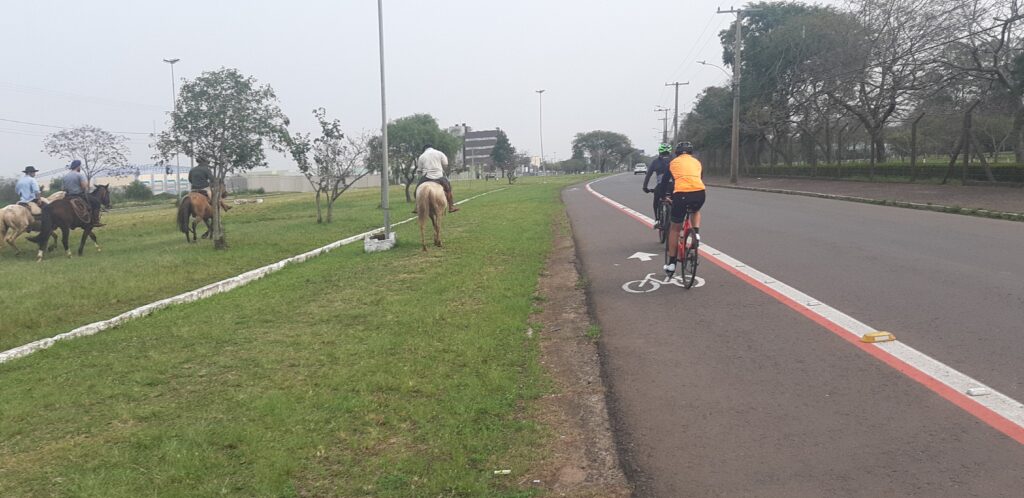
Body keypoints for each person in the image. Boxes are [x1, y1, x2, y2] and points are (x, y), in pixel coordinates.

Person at [658, 142, 705, 276]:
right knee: (695, 210)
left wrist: (664, 196)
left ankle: (672, 263)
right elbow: (700, 178)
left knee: (675, 228)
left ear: (677, 153)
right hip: (700, 193)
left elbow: (665, 182)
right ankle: (696, 233)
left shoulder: (673, 163)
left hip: (681, 194)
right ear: (691, 152)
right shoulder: (697, 162)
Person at [413, 144, 459, 213]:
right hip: (439, 176)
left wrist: (420, 171)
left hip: (427, 176)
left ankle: (417, 207)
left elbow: (419, 169)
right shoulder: (440, 153)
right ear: (432, 147)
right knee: (448, 190)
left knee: (416, 191)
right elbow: (445, 164)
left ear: (424, 149)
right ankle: (451, 207)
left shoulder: (421, 156)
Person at [62, 159, 103, 227]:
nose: (80, 168)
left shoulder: (65, 176)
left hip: (68, 196)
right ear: (78, 166)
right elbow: (84, 187)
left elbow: (63, 188)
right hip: (79, 195)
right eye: (80, 166)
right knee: (96, 203)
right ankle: (96, 221)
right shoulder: (79, 175)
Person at [642, 143, 674, 228]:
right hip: (673, 186)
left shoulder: (655, 162)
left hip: (660, 186)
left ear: (660, 151)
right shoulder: (674, 160)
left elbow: (648, 175)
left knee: (656, 201)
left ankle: (657, 220)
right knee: (675, 201)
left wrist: (645, 187)